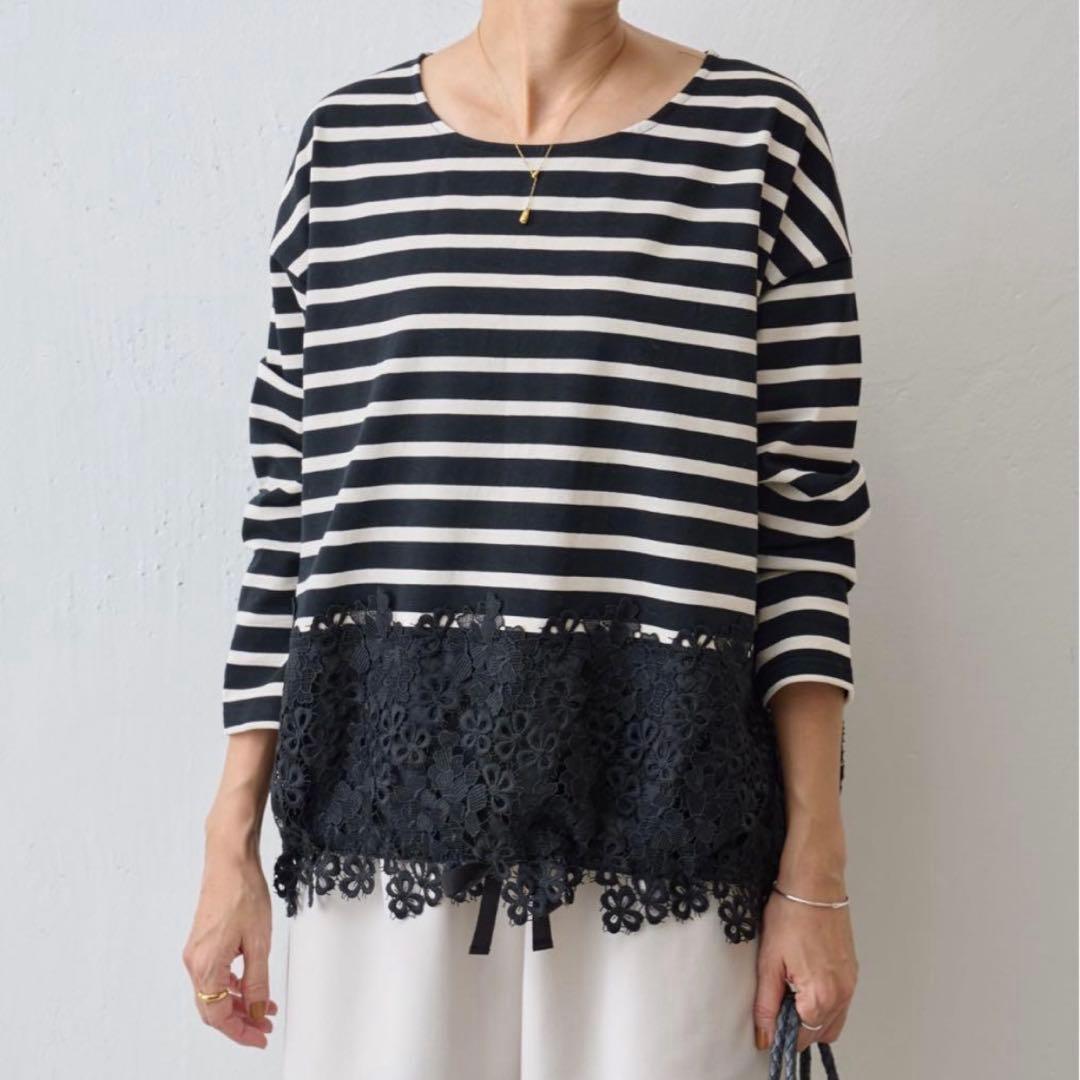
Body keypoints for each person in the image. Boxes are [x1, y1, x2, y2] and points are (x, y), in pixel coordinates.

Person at [183, 7, 869, 1078]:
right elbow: (288, 515)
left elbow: (806, 525)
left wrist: (815, 873)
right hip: (377, 829)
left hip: (667, 822)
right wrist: (229, 845)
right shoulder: (346, 147)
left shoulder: (758, 139)